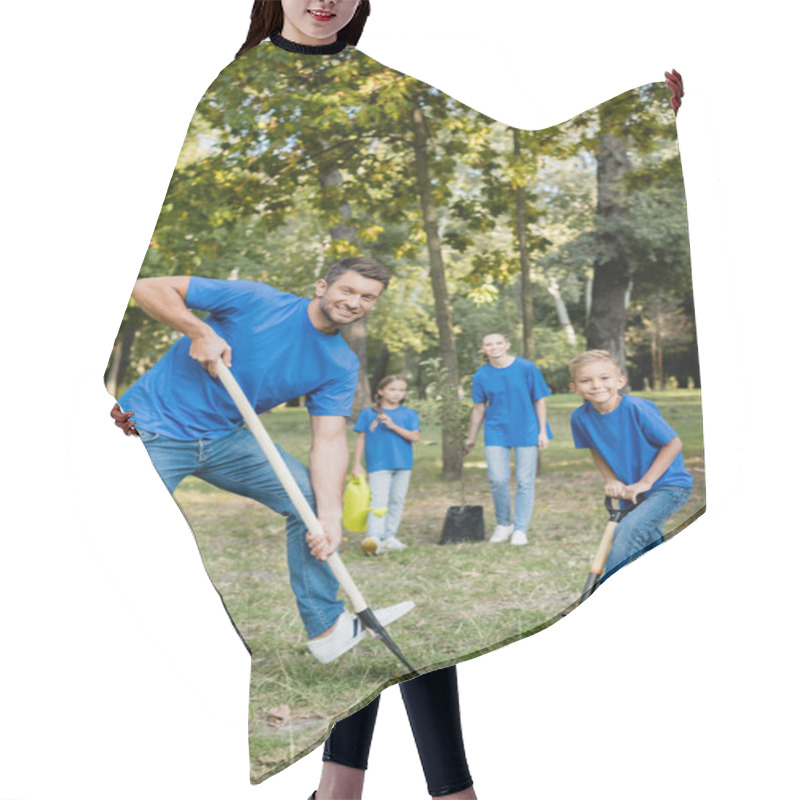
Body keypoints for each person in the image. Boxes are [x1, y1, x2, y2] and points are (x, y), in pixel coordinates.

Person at [113, 257, 414, 664]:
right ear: (322, 286)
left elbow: (328, 441)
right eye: (347, 290)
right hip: (150, 428)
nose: (354, 302)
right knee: (115, 527)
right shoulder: (257, 299)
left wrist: (330, 515)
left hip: (226, 439)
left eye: (367, 297)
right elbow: (147, 286)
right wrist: (199, 330)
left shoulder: (340, 363)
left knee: (308, 504)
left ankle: (327, 629)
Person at [568, 350, 693, 579]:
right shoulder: (580, 418)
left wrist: (646, 482)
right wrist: (611, 479)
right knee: (649, 544)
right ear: (574, 387)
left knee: (629, 530)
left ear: (620, 381)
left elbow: (673, 443)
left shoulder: (636, 408)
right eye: (586, 380)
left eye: (604, 378)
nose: (596, 385)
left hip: (668, 485)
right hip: (631, 491)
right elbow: (595, 449)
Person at [463, 333, 552, 546]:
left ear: (507, 345)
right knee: (498, 479)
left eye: (498, 343)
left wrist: (542, 431)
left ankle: (520, 529)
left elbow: (539, 400)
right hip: (496, 430)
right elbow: (478, 408)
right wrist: (471, 437)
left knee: (525, 480)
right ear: (483, 349)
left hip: (527, 428)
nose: (493, 347)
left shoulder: (526, 367)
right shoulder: (481, 375)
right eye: (488, 344)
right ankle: (504, 524)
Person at [352, 375, 420, 555]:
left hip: (403, 464)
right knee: (378, 501)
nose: (397, 393)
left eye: (401, 390)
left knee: (397, 500)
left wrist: (393, 426)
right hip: (379, 464)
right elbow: (361, 439)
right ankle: (374, 537)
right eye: (392, 389)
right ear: (381, 391)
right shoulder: (368, 414)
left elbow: (415, 437)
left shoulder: (409, 413)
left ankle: (390, 536)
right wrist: (357, 464)